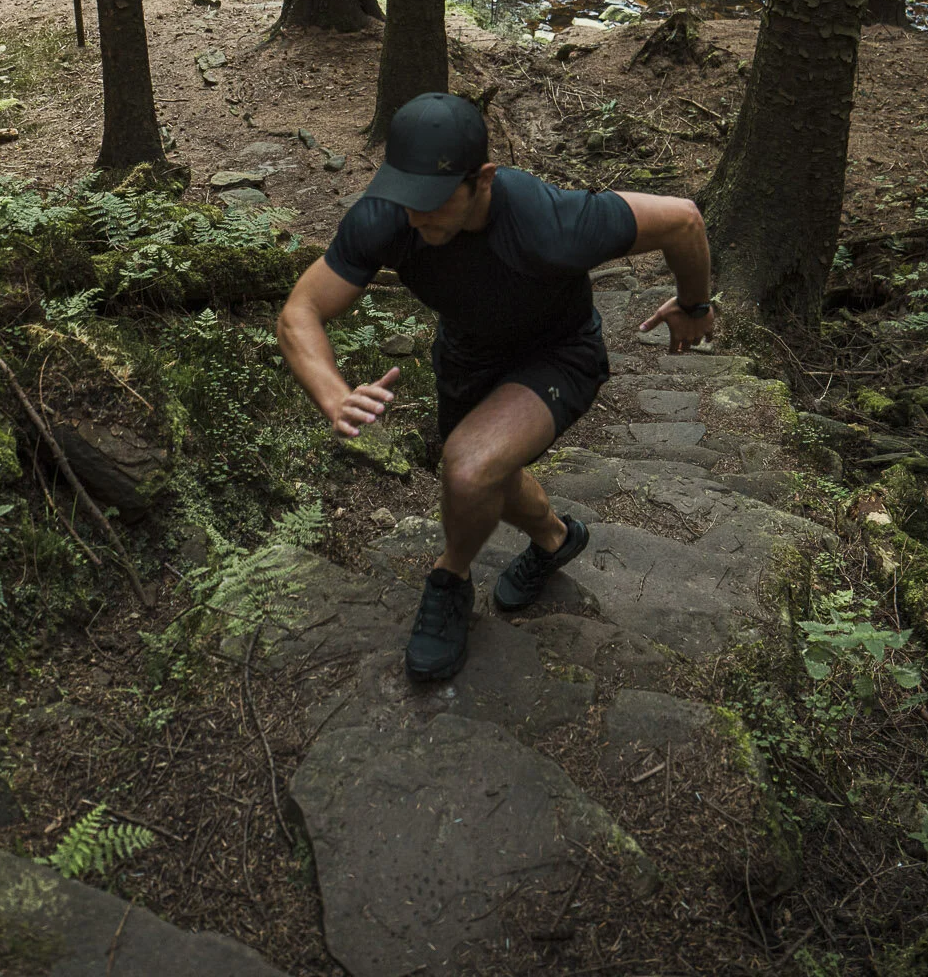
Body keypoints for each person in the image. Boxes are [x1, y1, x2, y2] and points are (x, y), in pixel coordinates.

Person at [276, 91, 714, 681]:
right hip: (468, 357)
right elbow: (299, 313)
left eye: (432, 200)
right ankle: (555, 539)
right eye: (405, 196)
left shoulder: (552, 223)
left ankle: (450, 577)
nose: (415, 217)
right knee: (484, 471)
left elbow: (683, 218)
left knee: (468, 467)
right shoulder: (387, 216)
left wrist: (693, 304)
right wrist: (334, 395)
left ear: (482, 178)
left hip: (557, 355)